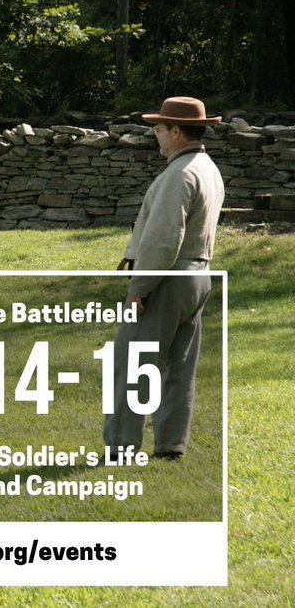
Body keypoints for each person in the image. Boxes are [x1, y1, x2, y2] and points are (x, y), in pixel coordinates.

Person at [105, 96, 224, 461]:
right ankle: (171, 445)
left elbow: (161, 240)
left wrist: (139, 288)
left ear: (175, 131)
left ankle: (122, 449)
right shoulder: (207, 167)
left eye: (158, 128)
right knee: (178, 366)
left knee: (132, 365)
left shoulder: (179, 174)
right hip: (197, 275)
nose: (155, 134)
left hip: (169, 277)